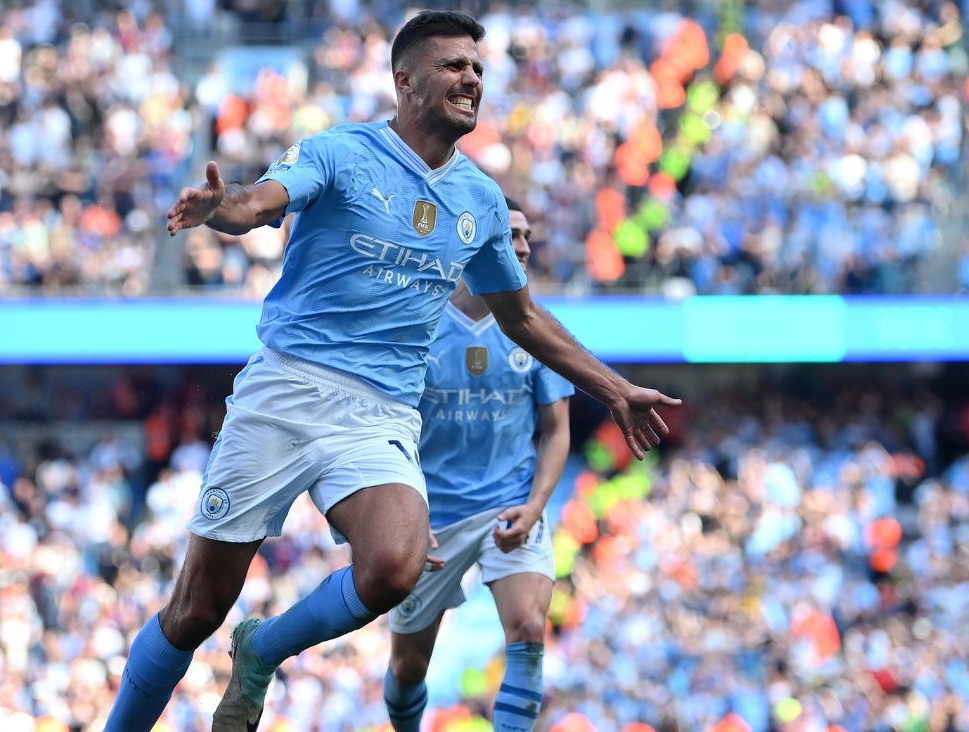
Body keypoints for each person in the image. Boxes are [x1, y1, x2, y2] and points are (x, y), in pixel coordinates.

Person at [106, 11, 679, 730]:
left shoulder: (480, 200)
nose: (471, 77)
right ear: (405, 82)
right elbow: (258, 203)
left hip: (380, 412)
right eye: (453, 66)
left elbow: (524, 319)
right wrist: (224, 207)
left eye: (476, 67)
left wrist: (618, 390)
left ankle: (261, 652)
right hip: (286, 389)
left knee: (393, 567)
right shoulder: (342, 152)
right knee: (194, 612)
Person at [385, 197, 569, 732]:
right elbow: (386, 429)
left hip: (509, 507)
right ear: (476, 243)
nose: (524, 245)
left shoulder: (537, 328)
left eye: (527, 235)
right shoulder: (418, 324)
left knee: (530, 627)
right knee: (408, 666)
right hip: (431, 518)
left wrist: (536, 506)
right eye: (511, 234)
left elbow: (556, 430)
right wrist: (403, 515)